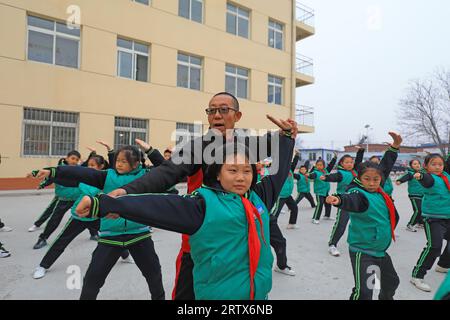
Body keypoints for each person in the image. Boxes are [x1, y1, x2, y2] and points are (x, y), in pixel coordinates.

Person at [104, 92, 295, 300]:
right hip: (202, 235)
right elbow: (167, 172)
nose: (217, 115)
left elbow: (279, 146)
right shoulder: (198, 147)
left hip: (238, 234)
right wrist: (126, 192)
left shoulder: (249, 144)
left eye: (224, 109)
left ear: (237, 116)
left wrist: (288, 134)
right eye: (211, 110)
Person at [32, 145, 166, 300]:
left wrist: (151, 151)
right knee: (92, 279)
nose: (119, 164)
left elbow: (165, 170)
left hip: (139, 235)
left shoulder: (146, 176)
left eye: (124, 161)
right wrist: (54, 171)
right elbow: (81, 172)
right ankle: (43, 265)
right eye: (117, 160)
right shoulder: (106, 176)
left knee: (154, 275)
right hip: (110, 236)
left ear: (136, 164)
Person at [326, 132, 402, 300]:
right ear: (360, 179)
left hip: (380, 250)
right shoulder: (358, 193)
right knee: (365, 292)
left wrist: (394, 147)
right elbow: (351, 200)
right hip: (364, 251)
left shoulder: (378, 188)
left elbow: (385, 166)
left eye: (376, 179)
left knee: (391, 283)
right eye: (367, 179)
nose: (372, 182)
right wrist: (338, 200)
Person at [410, 153, 450, 292]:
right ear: (426, 166)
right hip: (434, 218)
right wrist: (420, 176)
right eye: (434, 164)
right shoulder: (430, 177)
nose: (438, 167)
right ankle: (417, 276)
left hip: (448, 216)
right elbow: (426, 179)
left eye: (440, 164)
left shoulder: (446, 175)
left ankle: (443, 265)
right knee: (434, 246)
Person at [28, 150, 83, 250]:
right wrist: (42, 185)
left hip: (78, 198)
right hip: (63, 199)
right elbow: (50, 178)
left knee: (90, 216)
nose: (74, 161)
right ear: (67, 158)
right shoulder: (60, 169)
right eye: (73, 158)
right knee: (54, 219)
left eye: (77, 159)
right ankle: (43, 238)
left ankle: (95, 234)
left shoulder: (80, 169)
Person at [323, 148, 364, 257]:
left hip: (356, 200)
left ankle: (361, 243)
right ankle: (332, 244)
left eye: (351, 162)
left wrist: (360, 151)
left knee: (361, 222)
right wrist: (326, 178)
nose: (350, 164)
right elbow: (334, 177)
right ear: (341, 163)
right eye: (347, 162)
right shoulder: (341, 173)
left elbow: (359, 161)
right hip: (344, 201)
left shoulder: (355, 171)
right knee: (341, 223)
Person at [395, 159, 425, 232]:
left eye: (418, 163)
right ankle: (410, 225)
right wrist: (399, 181)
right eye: (415, 164)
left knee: (423, 209)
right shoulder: (410, 173)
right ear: (411, 166)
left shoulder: (422, 173)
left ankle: (420, 223)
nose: (417, 165)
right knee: (418, 210)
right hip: (414, 194)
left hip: (422, 194)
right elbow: (404, 178)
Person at [309, 154, 337, 224]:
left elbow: (331, 165)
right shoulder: (315, 172)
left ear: (323, 165)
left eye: (321, 165)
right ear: (316, 165)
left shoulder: (326, 171)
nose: (319, 166)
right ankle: (315, 218)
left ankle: (327, 216)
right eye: (317, 165)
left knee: (328, 203)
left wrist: (334, 158)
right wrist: (309, 175)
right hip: (319, 192)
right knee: (320, 204)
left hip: (325, 191)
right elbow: (311, 175)